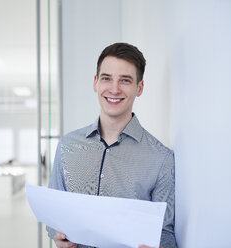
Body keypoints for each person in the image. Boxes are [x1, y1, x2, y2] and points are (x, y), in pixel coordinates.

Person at [46, 43, 177, 248]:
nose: (114, 89)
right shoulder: (67, 146)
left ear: (139, 88)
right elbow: (54, 216)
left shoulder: (161, 159)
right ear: (96, 83)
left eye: (125, 80)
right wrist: (57, 236)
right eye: (106, 78)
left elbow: (166, 234)